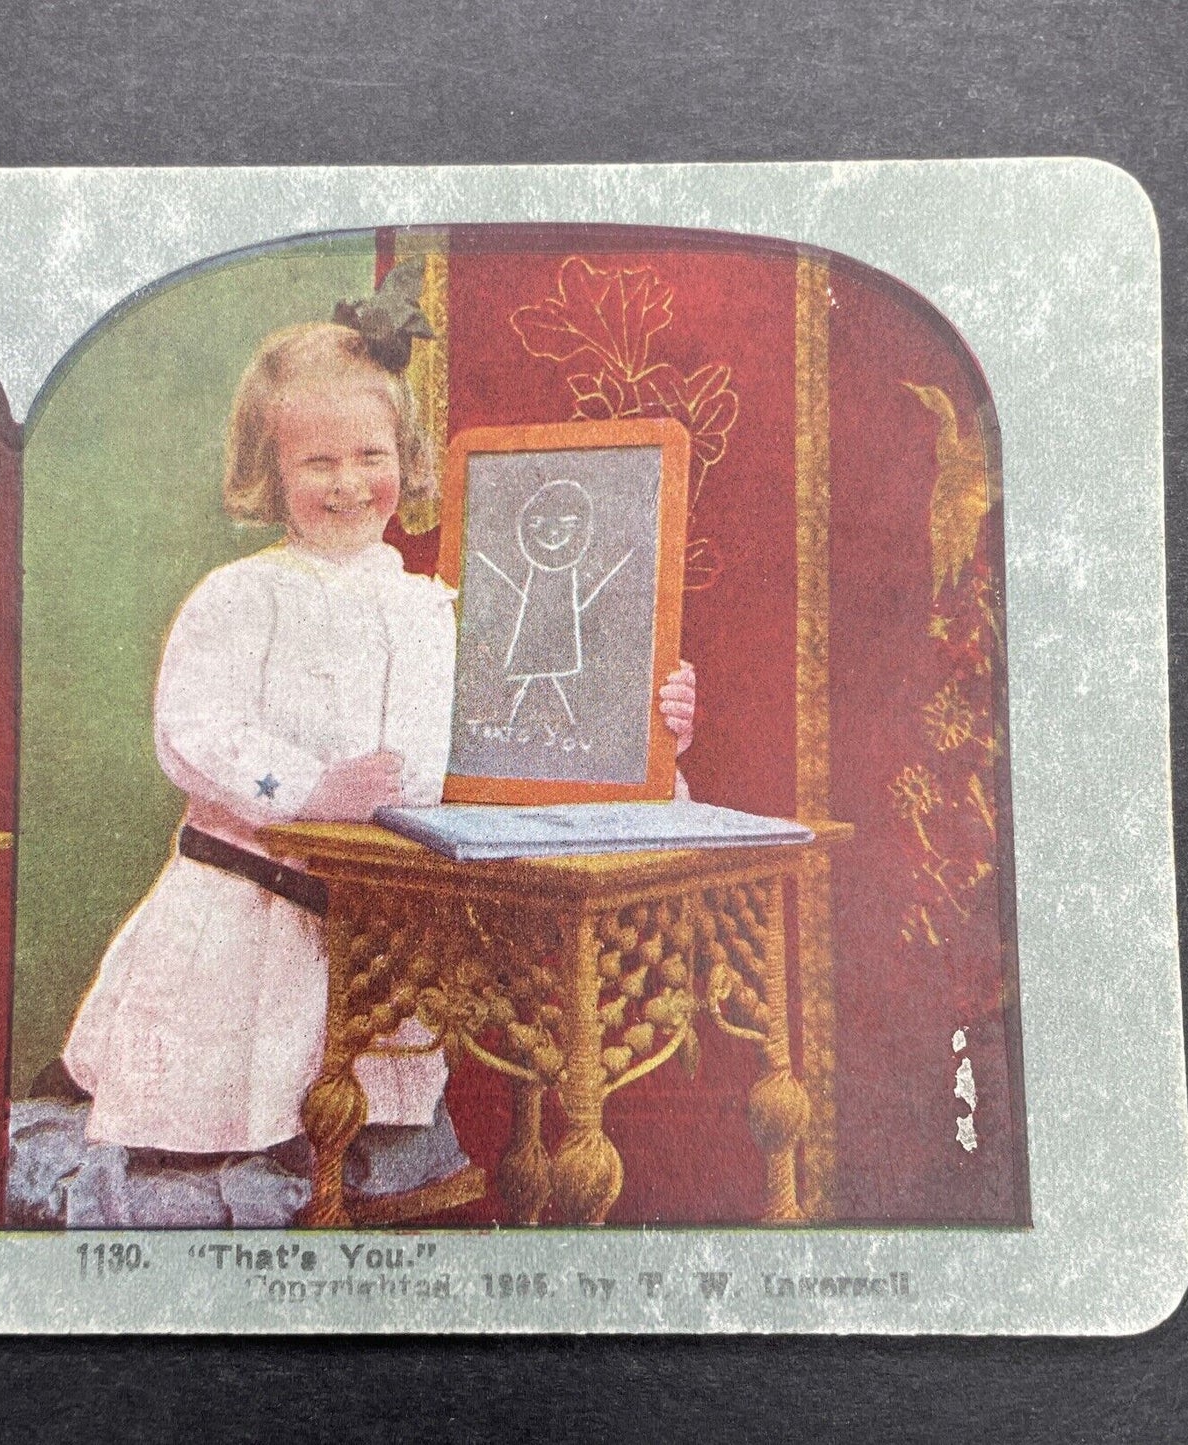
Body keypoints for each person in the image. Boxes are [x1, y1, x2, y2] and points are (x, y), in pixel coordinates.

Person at [41, 276, 699, 1221]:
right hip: (245, 915)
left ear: (408, 458)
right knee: (217, 1147)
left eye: (370, 455)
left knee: (345, 1151)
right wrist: (310, 787)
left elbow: (518, 743)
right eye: (317, 462)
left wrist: (649, 734)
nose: (348, 483)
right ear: (271, 473)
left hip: (373, 943)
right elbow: (194, 731)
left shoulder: (440, 611)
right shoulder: (244, 596)